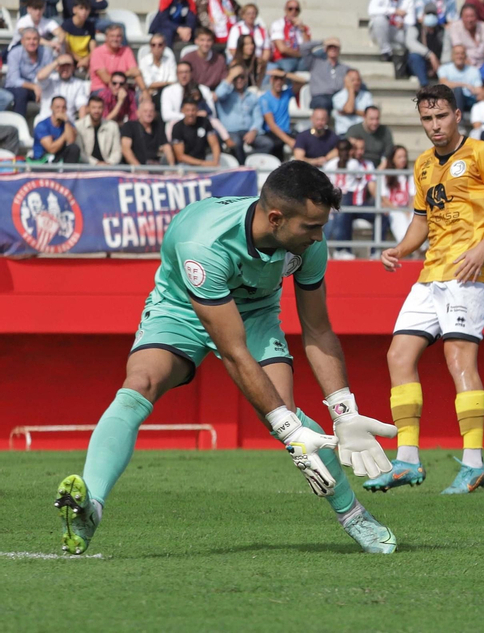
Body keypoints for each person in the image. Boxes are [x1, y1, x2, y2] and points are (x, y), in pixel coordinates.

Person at [54, 162, 399, 555]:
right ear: (275, 218)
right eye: (311, 226)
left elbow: (318, 330)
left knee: (285, 410)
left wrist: (344, 412)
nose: (319, 236)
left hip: (255, 312)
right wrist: (289, 432)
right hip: (182, 308)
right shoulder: (204, 244)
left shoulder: (308, 244)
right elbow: (234, 352)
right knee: (140, 384)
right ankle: (91, 507)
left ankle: (355, 517)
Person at [364, 84, 484, 494]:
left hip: (469, 275)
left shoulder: (483, 153)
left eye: (440, 116)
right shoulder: (422, 164)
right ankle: (407, 460)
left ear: (456, 115)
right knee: (398, 355)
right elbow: (421, 220)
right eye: (427, 118)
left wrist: (483, 248)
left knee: (458, 359)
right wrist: (400, 249)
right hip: (430, 274)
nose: (434, 125)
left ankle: (473, 464)